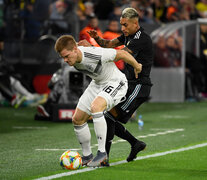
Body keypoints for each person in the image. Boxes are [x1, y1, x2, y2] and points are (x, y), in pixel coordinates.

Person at [54, 35, 142, 167]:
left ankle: (102, 154)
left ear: (74, 50)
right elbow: (76, 44)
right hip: (97, 83)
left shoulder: (95, 54)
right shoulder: (75, 50)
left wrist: (137, 66)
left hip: (115, 82)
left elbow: (122, 54)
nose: (65, 60)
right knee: (77, 119)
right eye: (63, 58)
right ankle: (87, 155)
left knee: (96, 107)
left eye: (67, 56)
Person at [81, 7, 153, 165]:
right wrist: (98, 39)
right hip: (129, 84)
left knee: (107, 116)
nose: (123, 28)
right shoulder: (128, 35)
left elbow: (119, 55)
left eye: (125, 25)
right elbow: (109, 45)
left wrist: (90, 51)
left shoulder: (141, 38)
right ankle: (134, 144)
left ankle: (104, 157)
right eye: (121, 24)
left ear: (135, 23)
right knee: (107, 116)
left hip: (139, 86)